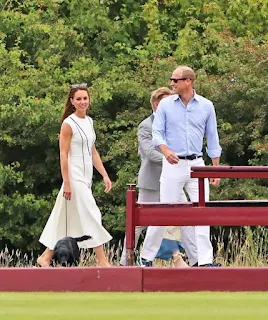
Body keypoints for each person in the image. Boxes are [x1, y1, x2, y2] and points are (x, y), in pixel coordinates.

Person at [139, 65, 222, 267]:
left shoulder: (206, 105)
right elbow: (157, 133)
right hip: (173, 164)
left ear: (188, 81)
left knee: (202, 211)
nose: (171, 84)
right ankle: (146, 257)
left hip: (198, 164)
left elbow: (212, 137)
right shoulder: (166, 105)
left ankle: (204, 261)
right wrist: (166, 151)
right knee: (164, 210)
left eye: (175, 80)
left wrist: (215, 168)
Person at [37, 83, 112, 267]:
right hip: (74, 175)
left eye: (85, 98)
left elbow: (92, 151)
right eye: (78, 99)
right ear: (72, 101)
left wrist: (104, 174)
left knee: (62, 217)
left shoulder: (90, 121)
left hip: (86, 177)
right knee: (92, 213)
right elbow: (63, 154)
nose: (82, 102)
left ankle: (46, 257)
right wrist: (67, 182)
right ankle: (101, 260)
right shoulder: (68, 124)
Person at [120, 87, 188, 268]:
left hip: (173, 179)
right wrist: (173, 159)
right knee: (139, 222)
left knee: (179, 216)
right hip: (152, 182)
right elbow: (149, 152)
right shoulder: (145, 126)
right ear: (157, 104)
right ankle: (125, 261)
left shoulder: (174, 123)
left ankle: (178, 257)